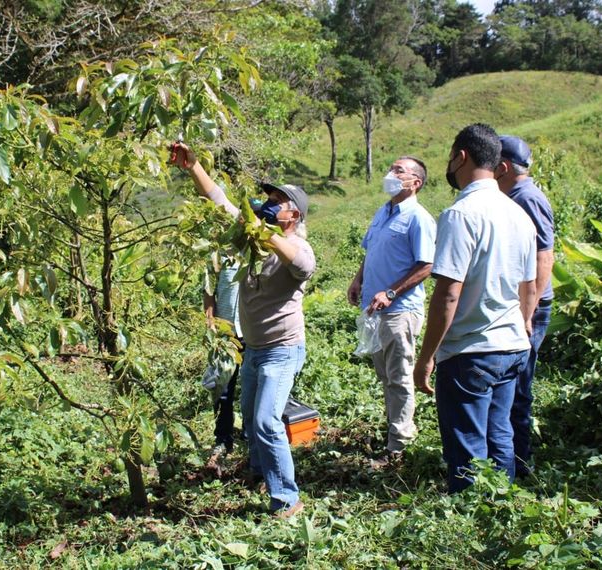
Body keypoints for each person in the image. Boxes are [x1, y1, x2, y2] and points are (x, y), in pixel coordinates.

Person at [169, 142, 315, 518]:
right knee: (250, 418)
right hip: (253, 348)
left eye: (277, 202)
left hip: (282, 350)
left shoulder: (298, 246)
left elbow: (301, 265)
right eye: (267, 199)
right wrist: (193, 166)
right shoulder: (253, 239)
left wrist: (262, 232)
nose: (267, 205)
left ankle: (287, 499)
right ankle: (258, 471)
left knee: (266, 420)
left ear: (294, 215)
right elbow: (219, 200)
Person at [414, 123, 537, 492]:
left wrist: (427, 357)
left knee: (467, 446)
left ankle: (470, 513)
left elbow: (448, 294)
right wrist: (523, 324)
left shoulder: (461, 214)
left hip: (470, 352)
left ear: (461, 157)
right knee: (500, 436)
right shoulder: (518, 214)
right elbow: (529, 287)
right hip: (512, 347)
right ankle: (501, 507)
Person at [346, 157, 436, 469]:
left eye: (399, 170)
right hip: (375, 310)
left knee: (399, 377)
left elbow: (427, 265)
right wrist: (358, 279)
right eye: (391, 168)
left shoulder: (419, 218)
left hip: (400, 311)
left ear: (416, 183)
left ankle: (399, 446)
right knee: (385, 375)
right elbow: (371, 251)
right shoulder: (383, 212)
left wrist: (392, 292)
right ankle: (395, 431)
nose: (391, 174)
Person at [495, 135, 555, 477]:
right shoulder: (512, 197)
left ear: (503, 167)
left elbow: (544, 257)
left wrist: (526, 313)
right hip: (519, 304)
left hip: (529, 308)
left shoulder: (526, 198)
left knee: (517, 387)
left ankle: (519, 462)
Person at [203, 261, 243, 470]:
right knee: (222, 389)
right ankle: (223, 439)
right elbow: (209, 289)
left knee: (255, 387)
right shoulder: (218, 253)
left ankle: (250, 434)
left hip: (254, 330)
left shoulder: (261, 247)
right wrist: (210, 322)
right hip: (225, 332)